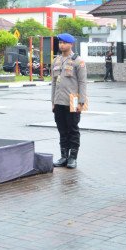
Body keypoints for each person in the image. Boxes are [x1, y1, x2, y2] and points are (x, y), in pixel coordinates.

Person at [51, 33, 88, 169]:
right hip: (59, 101)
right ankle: (64, 156)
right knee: (62, 130)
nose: (61, 45)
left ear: (71, 44)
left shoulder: (78, 61)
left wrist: (81, 102)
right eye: (60, 42)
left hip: (73, 100)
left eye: (64, 43)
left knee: (73, 129)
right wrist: (53, 102)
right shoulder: (56, 60)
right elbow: (53, 83)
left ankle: (73, 158)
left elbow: (82, 83)